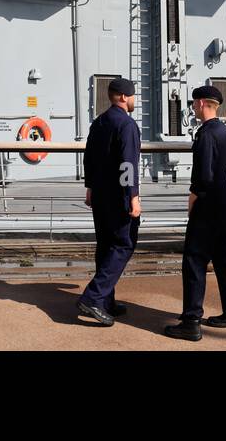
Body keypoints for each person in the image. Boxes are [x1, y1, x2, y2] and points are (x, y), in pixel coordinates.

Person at [165, 86, 226, 342]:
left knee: (194, 261)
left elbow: (204, 174)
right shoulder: (225, 131)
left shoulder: (206, 134)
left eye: (194, 103)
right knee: (224, 258)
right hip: (225, 199)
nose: (193, 107)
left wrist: (193, 197)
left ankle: (191, 321)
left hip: (208, 202)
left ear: (201, 103)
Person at [76, 77, 141, 326]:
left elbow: (89, 157)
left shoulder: (99, 122)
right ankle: (93, 298)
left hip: (100, 195)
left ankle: (105, 301)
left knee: (105, 246)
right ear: (124, 97)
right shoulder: (126, 124)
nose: (134, 100)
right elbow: (127, 164)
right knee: (124, 244)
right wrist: (132, 196)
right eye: (133, 96)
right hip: (118, 196)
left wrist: (90, 188)